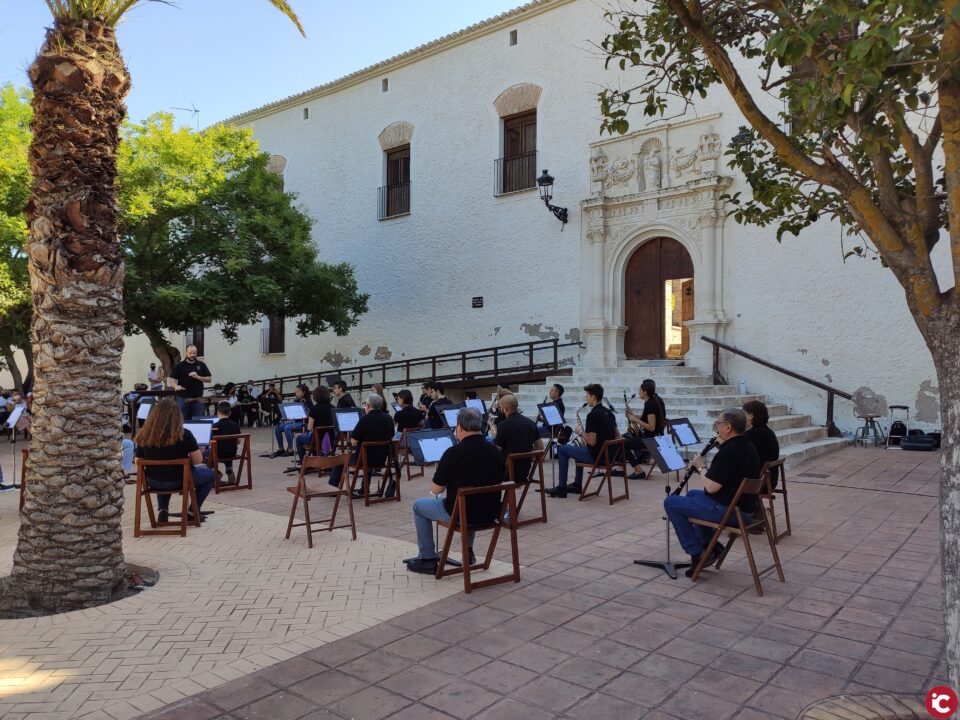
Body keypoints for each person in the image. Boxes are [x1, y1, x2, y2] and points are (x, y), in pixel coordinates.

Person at [406, 407, 506, 574]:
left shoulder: (453, 453)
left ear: (459, 427)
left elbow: (436, 489)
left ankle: (428, 558)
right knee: (471, 500)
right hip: (491, 512)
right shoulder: (495, 451)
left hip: (460, 513)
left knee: (419, 506)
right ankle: (468, 552)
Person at [663, 407, 761, 577]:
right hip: (742, 508)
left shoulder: (729, 451)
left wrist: (701, 467)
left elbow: (711, 487)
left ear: (728, 427)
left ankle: (697, 553)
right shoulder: (747, 445)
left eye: (718, 424)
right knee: (693, 494)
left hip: (730, 511)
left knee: (670, 502)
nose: (716, 427)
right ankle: (711, 546)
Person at [134, 398, 215, 522]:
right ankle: (192, 511)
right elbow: (198, 460)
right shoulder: (184, 434)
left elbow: (138, 461)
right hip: (180, 480)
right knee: (211, 475)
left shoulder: (145, 434)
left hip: (153, 481)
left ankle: (163, 510)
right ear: (178, 415)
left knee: (162, 472)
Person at [545, 383, 618, 498]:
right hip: (609, 456)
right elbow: (618, 436)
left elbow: (592, 442)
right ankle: (577, 485)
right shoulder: (609, 413)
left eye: (587, 396)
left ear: (593, 397)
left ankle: (561, 487)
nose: (586, 398)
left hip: (597, 457)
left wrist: (580, 432)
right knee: (577, 449)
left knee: (563, 449)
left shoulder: (592, 415)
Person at [328, 393, 395, 493]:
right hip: (382, 458)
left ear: (367, 406)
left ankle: (331, 489)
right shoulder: (388, 418)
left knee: (340, 461)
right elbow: (391, 435)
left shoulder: (365, 419)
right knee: (368, 453)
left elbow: (353, 441)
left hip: (363, 459)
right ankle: (364, 488)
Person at [623, 379, 667, 480]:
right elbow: (647, 419)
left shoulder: (651, 404)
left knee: (623, 444)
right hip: (651, 436)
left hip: (651, 439)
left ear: (645, 392)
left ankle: (638, 470)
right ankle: (641, 459)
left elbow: (651, 427)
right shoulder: (650, 402)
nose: (639, 393)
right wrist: (632, 416)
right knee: (627, 439)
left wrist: (635, 419)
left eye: (640, 390)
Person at [494, 394, 542, 482]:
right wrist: (525, 452)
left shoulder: (503, 425)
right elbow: (540, 448)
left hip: (507, 472)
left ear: (505, 409)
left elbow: (497, 450)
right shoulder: (530, 423)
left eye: (501, 408)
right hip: (524, 472)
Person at [743, 400, 780, 488]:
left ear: (751, 416)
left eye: (744, 414)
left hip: (760, 483)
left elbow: (735, 451)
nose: (742, 417)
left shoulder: (753, 434)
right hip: (769, 480)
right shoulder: (768, 431)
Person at [169, 345, 211, 420]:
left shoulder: (201, 365)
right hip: (183, 399)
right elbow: (172, 379)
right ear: (186, 353)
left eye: (194, 353)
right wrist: (175, 386)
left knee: (198, 422)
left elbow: (209, 379)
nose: (192, 355)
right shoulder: (180, 366)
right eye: (190, 353)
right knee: (183, 422)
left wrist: (198, 377)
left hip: (197, 399)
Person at [295, 386, 336, 463]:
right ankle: (317, 458)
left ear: (315, 396)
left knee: (299, 438)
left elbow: (310, 428)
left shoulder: (314, 409)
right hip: (330, 439)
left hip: (317, 439)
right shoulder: (333, 408)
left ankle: (304, 462)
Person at [205, 400, 242, 484]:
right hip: (232, 453)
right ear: (230, 412)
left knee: (204, 455)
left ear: (218, 412)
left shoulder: (215, 426)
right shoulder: (235, 425)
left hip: (218, 453)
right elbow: (238, 441)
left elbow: (212, 443)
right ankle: (229, 470)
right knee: (228, 448)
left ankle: (216, 473)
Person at [272, 383, 313, 457]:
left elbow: (309, 415)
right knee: (278, 427)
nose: (296, 394)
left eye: (298, 392)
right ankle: (281, 448)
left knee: (287, 428)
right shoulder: (296, 401)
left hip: (304, 423)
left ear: (303, 392)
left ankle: (290, 449)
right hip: (296, 421)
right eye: (295, 392)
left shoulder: (308, 401)